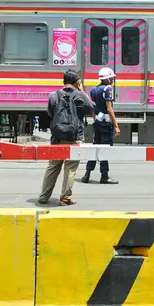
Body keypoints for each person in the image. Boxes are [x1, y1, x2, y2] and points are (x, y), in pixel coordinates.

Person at [38, 69, 94, 206]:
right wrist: (82, 90)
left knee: (53, 167)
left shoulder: (54, 95)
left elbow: (50, 112)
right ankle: (65, 197)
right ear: (77, 82)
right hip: (75, 136)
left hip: (57, 136)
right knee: (71, 167)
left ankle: (44, 196)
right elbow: (91, 108)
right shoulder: (80, 95)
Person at [81, 67, 120, 184]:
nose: (113, 79)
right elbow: (109, 109)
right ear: (107, 79)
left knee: (95, 147)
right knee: (104, 150)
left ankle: (87, 174)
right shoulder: (108, 89)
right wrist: (116, 125)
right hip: (106, 124)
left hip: (97, 122)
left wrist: (95, 119)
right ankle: (104, 176)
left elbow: (93, 107)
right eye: (111, 77)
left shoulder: (94, 89)